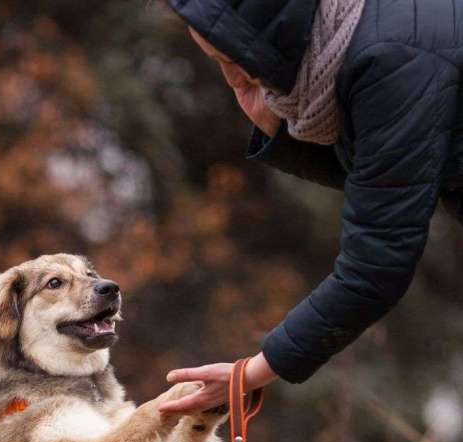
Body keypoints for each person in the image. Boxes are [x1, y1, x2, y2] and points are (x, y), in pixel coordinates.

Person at [157, 0, 463, 415]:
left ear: (268, 27)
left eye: (231, 57)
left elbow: (377, 264)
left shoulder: (391, 59)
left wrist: (250, 373)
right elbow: (395, 177)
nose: (232, 76)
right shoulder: (366, 31)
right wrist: (275, 131)